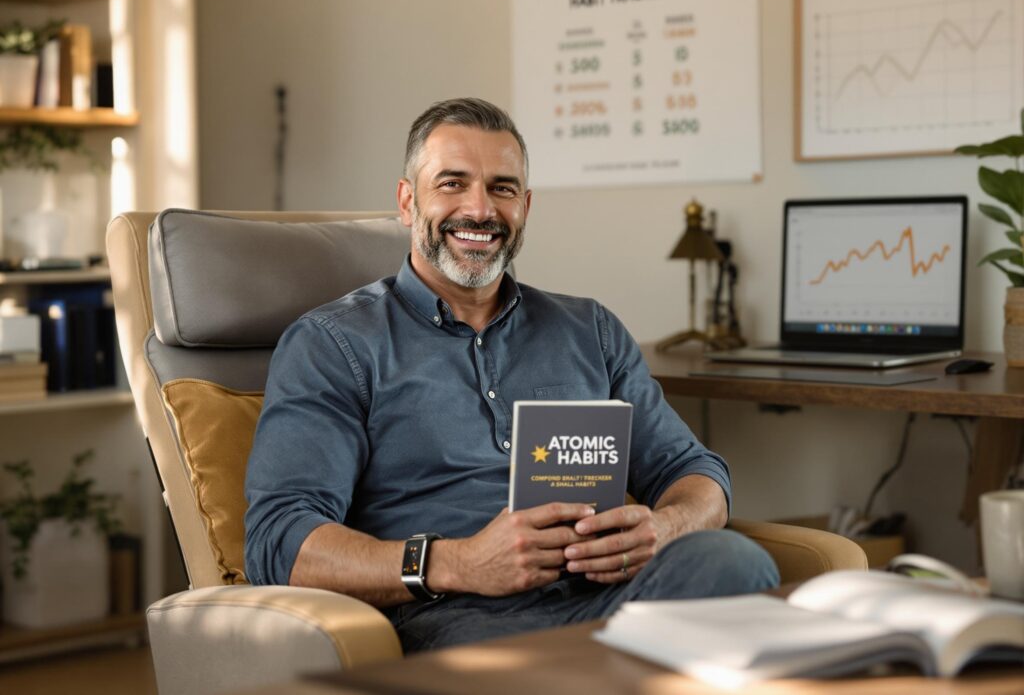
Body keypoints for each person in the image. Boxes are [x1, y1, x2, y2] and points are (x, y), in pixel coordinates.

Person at [244, 97, 779, 652]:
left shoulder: (589, 329)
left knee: (732, 562)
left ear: (524, 206)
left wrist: (664, 529)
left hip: (612, 595)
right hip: (458, 617)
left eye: (501, 188)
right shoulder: (333, 344)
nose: (480, 210)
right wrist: (457, 563)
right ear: (407, 202)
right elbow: (280, 540)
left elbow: (694, 472)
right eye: (452, 183)